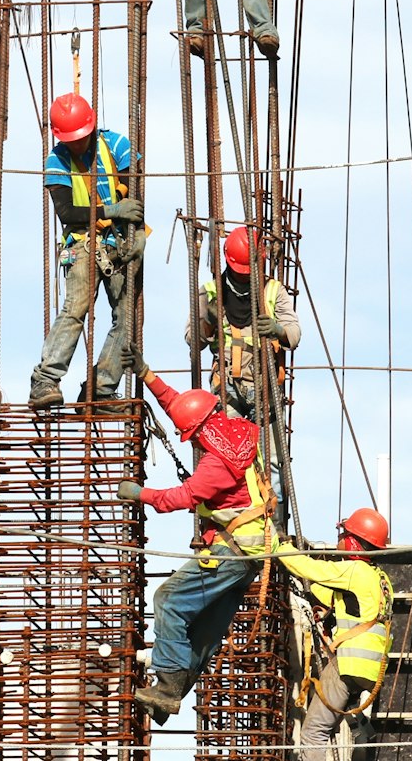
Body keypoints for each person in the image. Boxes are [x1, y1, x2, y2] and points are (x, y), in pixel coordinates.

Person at [123, 369, 270, 720]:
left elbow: (185, 496)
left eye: (191, 437)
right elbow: (182, 405)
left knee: (168, 600)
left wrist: (140, 494)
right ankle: (170, 694)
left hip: (231, 550)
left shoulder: (217, 462)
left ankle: (169, 685)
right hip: (249, 553)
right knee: (204, 631)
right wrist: (147, 375)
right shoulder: (234, 432)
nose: (191, 442)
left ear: (200, 431)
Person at [29, 92, 141, 410]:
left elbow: (134, 191)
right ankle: (45, 380)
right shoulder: (56, 161)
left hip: (118, 245)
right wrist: (111, 210)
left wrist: (138, 228)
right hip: (82, 245)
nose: (77, 144)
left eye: (81, 137)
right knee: (75, 310)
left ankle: (102, 389)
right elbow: (67, 212)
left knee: (127, 319)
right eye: (71, 139)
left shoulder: (117, 145)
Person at [288, 509, 395, 761]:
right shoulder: (380, 579)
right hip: (371, 669)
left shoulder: (354, 570)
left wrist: (278, 547)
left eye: (344, 534)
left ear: (354, 541)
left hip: (350, 663)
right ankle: (363, 730)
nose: (340, 539)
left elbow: (308, 567)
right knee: (358, 728)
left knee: (314, 732)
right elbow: (345, 602)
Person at [185, 224, 301, 418]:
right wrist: (209, 323)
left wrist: (278, 331)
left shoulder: (273, 290)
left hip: (266, 388)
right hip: (228, 389)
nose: (245, 275)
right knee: (231, 446)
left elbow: (294, 333)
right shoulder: (211, 292)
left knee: (271, 449)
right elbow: (193, 342)